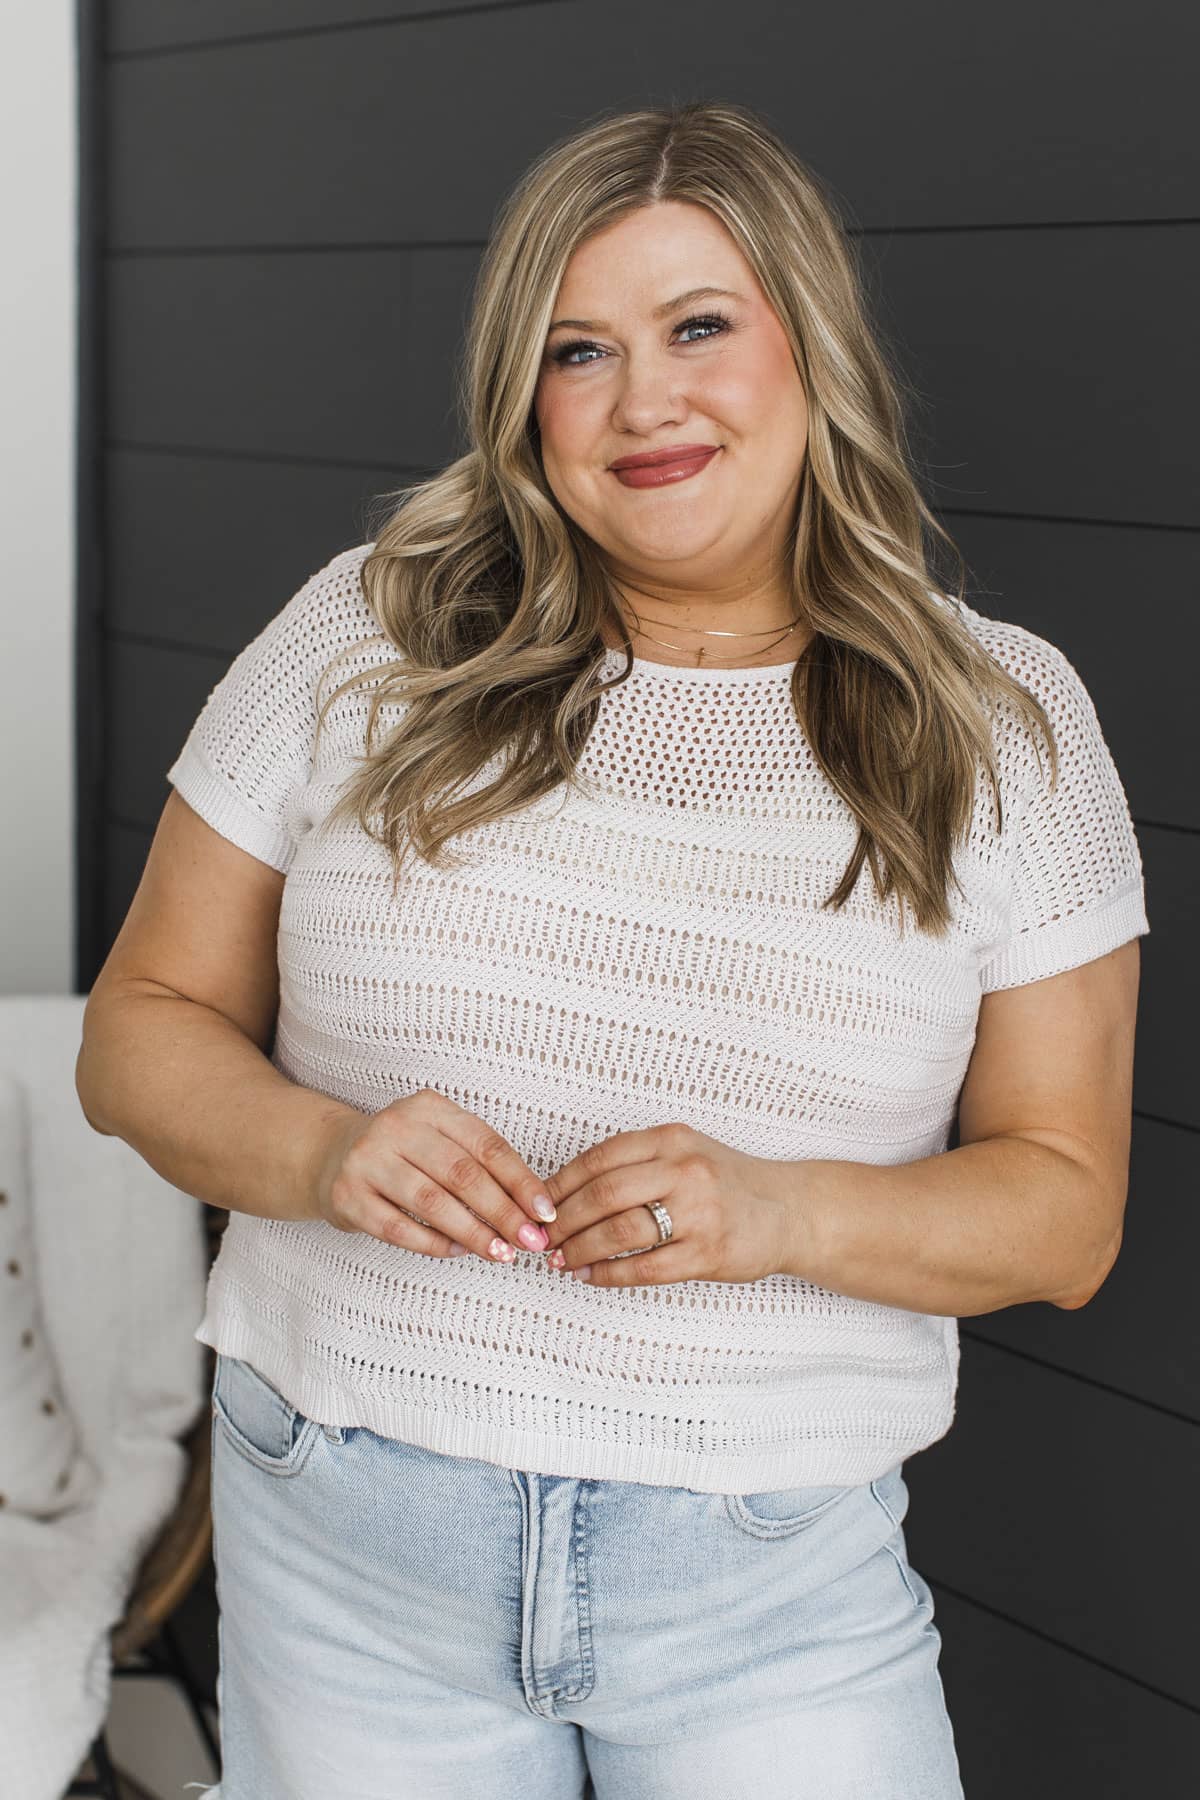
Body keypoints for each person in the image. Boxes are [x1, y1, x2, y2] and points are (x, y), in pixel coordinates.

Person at [77, 99, 1149, 1800]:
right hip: (352, 1543)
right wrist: (321, 1152)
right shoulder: (366, 631)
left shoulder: (1003, 721)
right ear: (527, 397)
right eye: (579, 351)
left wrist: (782, 1212)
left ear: (810, 344)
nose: (644, 400)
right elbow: (140, 1026)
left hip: (765, 1579)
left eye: (698, 326)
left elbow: (1067, 1211)